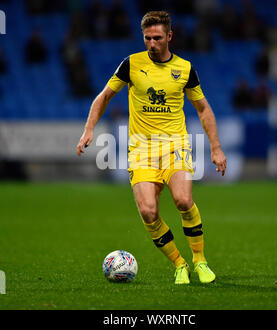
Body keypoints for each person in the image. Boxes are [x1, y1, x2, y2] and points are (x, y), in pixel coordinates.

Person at [77, 11, 226, 284]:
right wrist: (89, 129)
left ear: (170, 36)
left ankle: (200, 260)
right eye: (147, 38)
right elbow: (105, 96)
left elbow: (203, 109)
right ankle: (179, 264)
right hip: (141, 149)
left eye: (157, 38)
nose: (152, 43)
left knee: (183, 200)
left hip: (175, 144)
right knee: (148, 211)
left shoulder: (185, 69)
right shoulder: (131, 64)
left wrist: (216, 148)